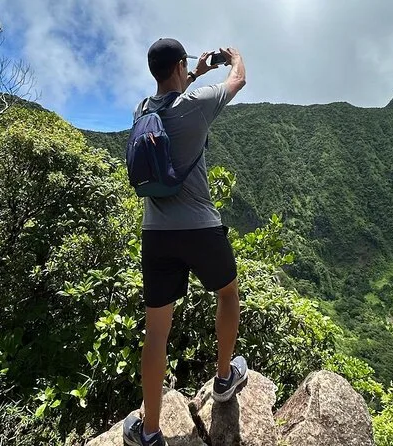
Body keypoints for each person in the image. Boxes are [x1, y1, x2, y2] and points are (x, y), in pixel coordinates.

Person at [122, 38, 248, 446]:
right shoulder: (198, 104)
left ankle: (150, 431)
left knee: (156, 332)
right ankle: (224, 379)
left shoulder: (141, 110)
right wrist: (233, 58)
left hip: (156, 234)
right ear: (179, 65)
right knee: (227, 294)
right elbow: (239, 80)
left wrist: (192, 72)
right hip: (200, 229)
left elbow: (169, 93)